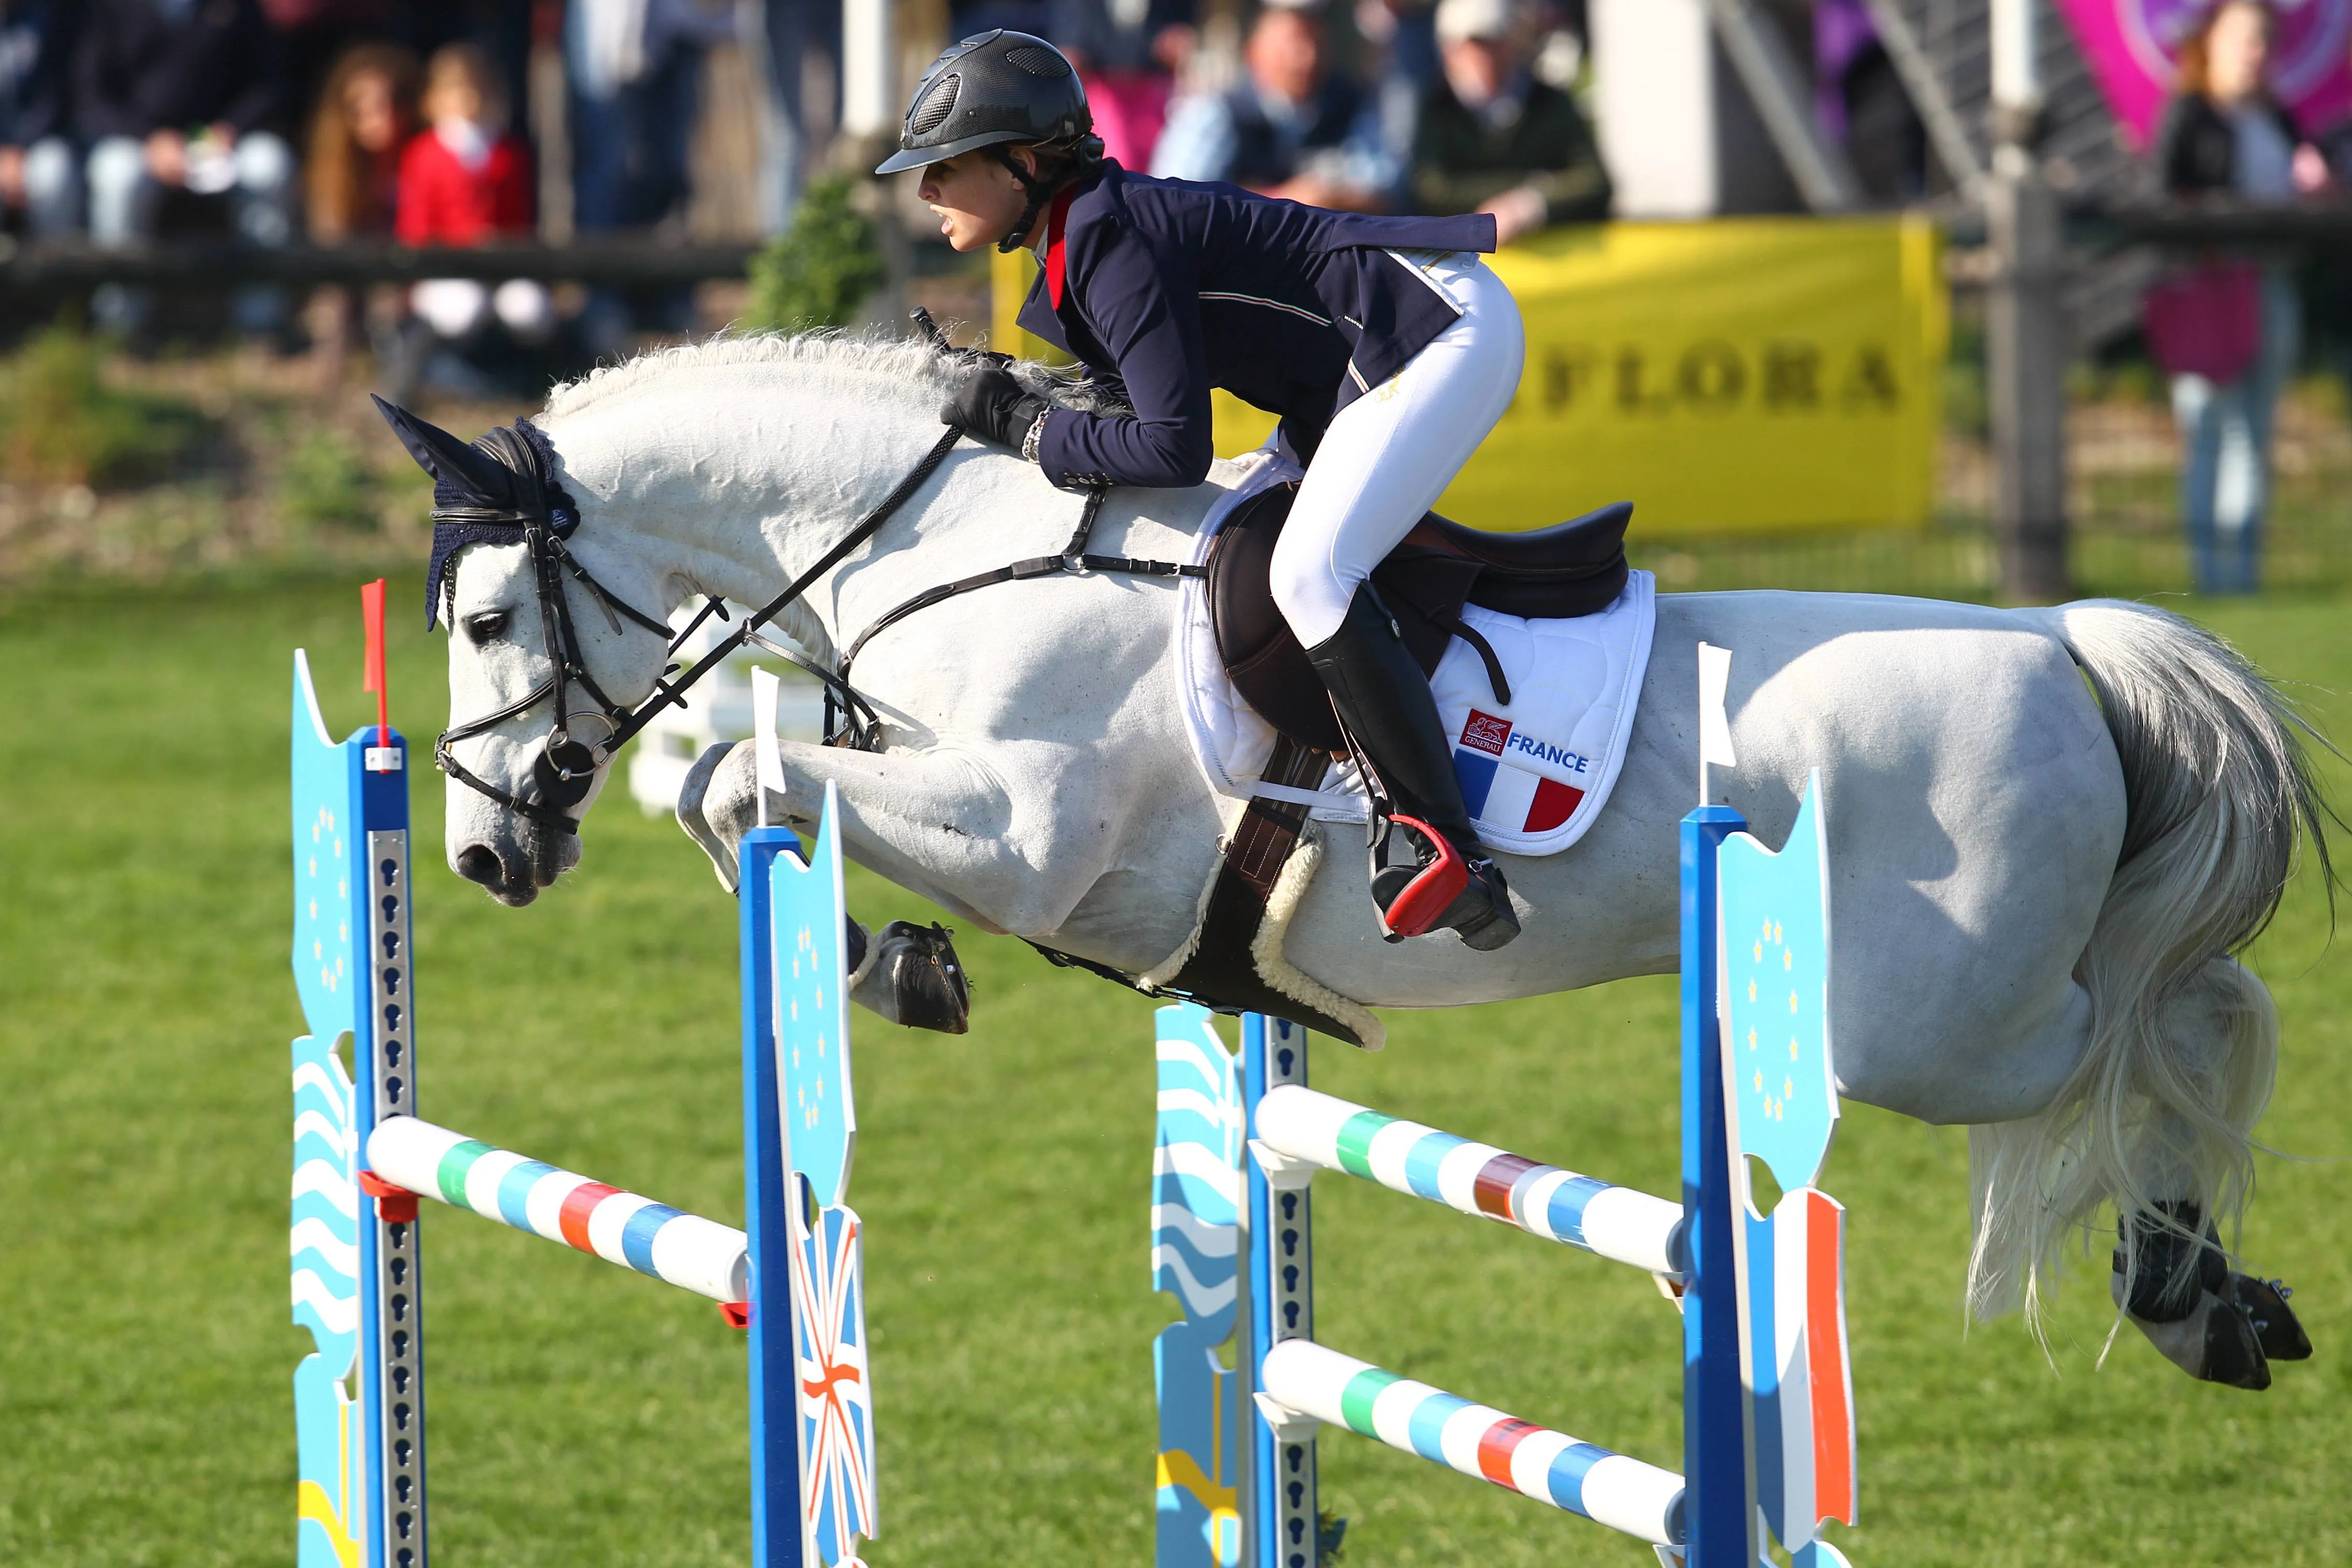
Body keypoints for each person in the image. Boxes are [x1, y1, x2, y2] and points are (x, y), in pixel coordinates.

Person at [882, 30, 1524, 949]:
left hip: (1431, 324)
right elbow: (1130, 414)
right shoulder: (1081, 238)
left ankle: (1442, 842)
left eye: (945, 166)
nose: (926, 190)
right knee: (1235, 545)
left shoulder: (1109, 239)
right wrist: (1027, 399)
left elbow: (1174, 445)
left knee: (1309, 573)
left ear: (1023, 164)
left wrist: (1024, 425)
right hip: (1348, 367)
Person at [2150, 0, 2326, 594]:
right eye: (2243, 39)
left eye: (2263, 41)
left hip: (2268, 284)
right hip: (2207, 293)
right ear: (2213, 42)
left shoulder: (2278, 117)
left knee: (2253, 434)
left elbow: (2305, 194)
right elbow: (2160, 201)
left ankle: (2241, 581)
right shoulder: (2190, 114)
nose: (2255, 53)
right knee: (2207, 431)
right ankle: (2208, 578)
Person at [73, 0, 296, 333]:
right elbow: (92, 95)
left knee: (271, 165)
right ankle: (119, 324)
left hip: (220, 140)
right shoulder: (111, 8)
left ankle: (261, 324)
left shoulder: (240, 7)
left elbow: (269, 82)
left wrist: (231, 128)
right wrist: (150, 140)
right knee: (117, 176)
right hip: (139, 141)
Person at [392, 43, 552, 388]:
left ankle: (518, 375)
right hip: (445, 270)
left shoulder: (510, 154)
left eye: (479, 90)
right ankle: (432, 367)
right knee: (463, 309)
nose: (469, 100)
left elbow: (522, 221)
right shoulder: (424, 155)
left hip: (503, 269)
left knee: (529, 310)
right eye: (457, 91)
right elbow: (415, 228)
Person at [1150, 1, 1397, 212]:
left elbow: (1387, 189)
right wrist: (1284, 200)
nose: (1306, 57)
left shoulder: (1350, 105)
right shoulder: (1215, 112)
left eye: (1316, 41)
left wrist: (1329, 196)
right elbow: (1173, 200)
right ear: (1253, 50)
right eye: (1292, 42)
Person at [1408, 0, 1607, 243]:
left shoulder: (1550, 103)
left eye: (1496, 42)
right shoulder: (1437, 110)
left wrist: (1531, 205)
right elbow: (1432, 190)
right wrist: (1527, 190)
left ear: (1515, 43)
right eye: (1474, 46)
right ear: (1448, 51)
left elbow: (1595, 181)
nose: (1485, 57)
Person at [0, 0, 76, 237]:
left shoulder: (48, 15)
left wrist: (18, 147)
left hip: (35, 142)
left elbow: (54, 94)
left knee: (53, 172)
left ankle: (54, 270)